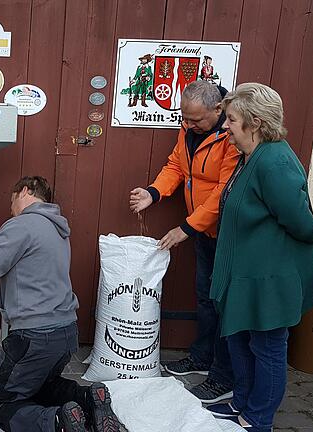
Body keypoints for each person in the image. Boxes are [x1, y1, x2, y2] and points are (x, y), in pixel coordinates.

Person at [205, 83, 313, 432]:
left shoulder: (274, 162)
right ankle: (241, 403)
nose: (225, 126)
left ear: (254, 123)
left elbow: (301, 222)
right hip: (246, 274)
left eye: (231, 119)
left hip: (270, 277)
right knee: (240, 338)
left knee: (268, 347)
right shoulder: (249, 157)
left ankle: (258, 418)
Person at [0, 176, 119, 432]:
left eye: (11, 200)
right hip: (66, 332)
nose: (10, 208)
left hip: (35, 336)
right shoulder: (57, 228)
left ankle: (57, 422)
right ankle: (89, 399)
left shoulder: (21, 225)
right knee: (40, 386)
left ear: (25, 191)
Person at [129, 79, 240, 403]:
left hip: (225, 234)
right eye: (184, 118)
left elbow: (224, 192)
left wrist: (187, 228)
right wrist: (153, 192)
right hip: (203, 233)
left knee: (224, 305)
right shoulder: (189, 129)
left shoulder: (232, 136)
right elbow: (177, 166)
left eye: (194, 120)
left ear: (218, 110)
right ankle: (201, 358)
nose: (186, 124)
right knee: (205, 298)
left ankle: (223, 376)